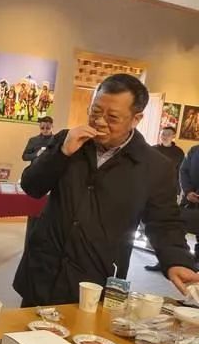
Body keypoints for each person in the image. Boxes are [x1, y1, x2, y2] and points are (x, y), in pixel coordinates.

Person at [13, 74, 199, 307]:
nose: (100, 122)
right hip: (44, 268)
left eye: (112, 117)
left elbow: (164, 222)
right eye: (95, 112)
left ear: (136, 119)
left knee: (87, 329)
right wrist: (61, 153)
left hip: (98, 275)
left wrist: (177, 260)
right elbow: (32, 186)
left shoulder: (155, 166)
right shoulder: (67, 140)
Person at [144, 126, 186, 272]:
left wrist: (180, 192)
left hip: (169, 191)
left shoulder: (178, 153)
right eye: (163, 133)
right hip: (149, 189)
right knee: (150, 224)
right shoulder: (152, 149)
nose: (164, 136)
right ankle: (155, 256)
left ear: (173, 136)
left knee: (164, 224)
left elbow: (180, 173)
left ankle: (164, 261)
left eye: (168, 134)